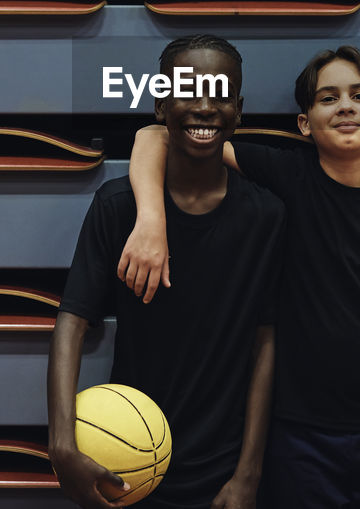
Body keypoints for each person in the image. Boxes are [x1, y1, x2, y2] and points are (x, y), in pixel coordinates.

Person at [121, 45, 360, 509]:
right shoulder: (287, 176)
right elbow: (154, 136)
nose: (344, 105)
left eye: (358, 95)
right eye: (327, 98)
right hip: (299, 437)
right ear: (305, 124)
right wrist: (150, 220)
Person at [48, 35, 285, 509]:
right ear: (160, 105)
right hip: (122, 458)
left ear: (239, 110)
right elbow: (72, 322)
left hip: (222, 467)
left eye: (220, 94)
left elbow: (266, 340)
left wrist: (248, 473)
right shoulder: (118, 206)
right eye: (187, 90)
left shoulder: (265, 215)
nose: (204, 106)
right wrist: (61, 442)